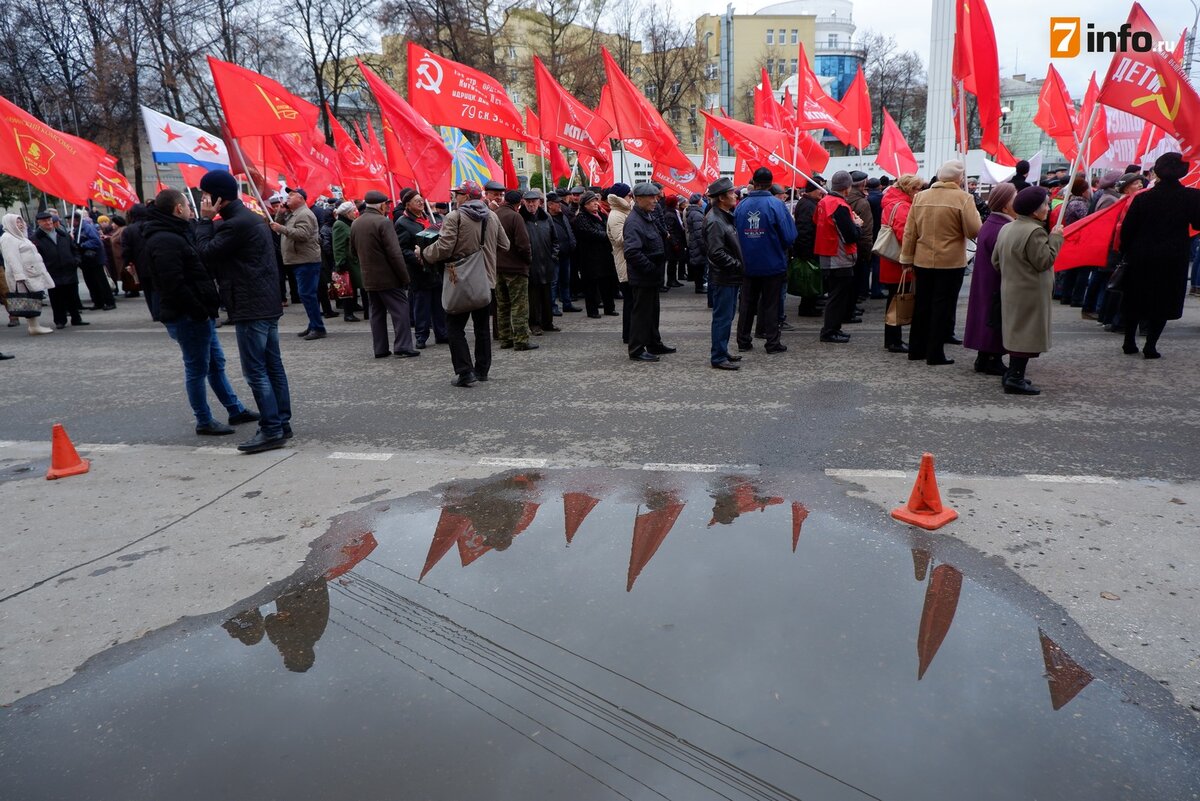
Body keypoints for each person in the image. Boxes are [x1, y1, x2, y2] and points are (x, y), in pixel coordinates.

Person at [143, 188, 259, 435]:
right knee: (196, 368)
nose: (190, 209)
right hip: (188, 315)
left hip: (198, 313)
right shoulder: (164, 239)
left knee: (215, 364)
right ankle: (203, 420)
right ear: (178, 209)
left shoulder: (176, 232)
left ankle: (234, 409)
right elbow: (173, 283)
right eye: (187, 205)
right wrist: (198, 310)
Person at [196, 169, 293, 453]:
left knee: (256, 371)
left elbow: (206, 252)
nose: (202, 200)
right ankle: (280, 422)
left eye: (205, 195)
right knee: (273, 367)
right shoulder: (250, 219)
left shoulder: (234, 224)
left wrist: (203, 221)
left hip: (251, 305)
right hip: (265, 302)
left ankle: (272, 428)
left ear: (218, 199)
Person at [423, 180, 509, 386]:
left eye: (458, 193)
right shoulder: (492, 215)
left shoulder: (456, 216)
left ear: (467, 196)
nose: (455, 196)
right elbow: (505, 245)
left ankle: (464, 372)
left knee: (454, 327)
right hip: (485, 280)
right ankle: (482, 371)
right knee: (482, 328)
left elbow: (444, 247)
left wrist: (425, 253)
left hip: (460, 279)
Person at [899, 160, 982, 366]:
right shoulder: (963, 198)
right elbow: (974, 230)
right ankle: (935, 353)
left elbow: (910, 232)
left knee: (922, 304)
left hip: (922, 259)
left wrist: (906, 259)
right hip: (951, 261)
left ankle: (916, 349)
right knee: (942, 307)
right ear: (959, 178)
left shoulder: (920, 197)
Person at [1118, 152, 1200, 359]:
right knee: (1163, 300)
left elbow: (1127, 229)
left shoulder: (1143, 197)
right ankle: (1151, 345)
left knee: (1135, 297)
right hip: (1173, 256)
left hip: (1141, 255)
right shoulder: (1191, 197)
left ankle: (1129, 341)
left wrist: (1126, 251)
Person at [992, 186, 1064, 394]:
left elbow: (995, 261)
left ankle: (1013, 374)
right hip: (1030, 291)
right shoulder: (1035, 231)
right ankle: (1015, 377)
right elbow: (1044, 260)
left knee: (1017, 332)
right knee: (1026, 335)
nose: (1048, 207)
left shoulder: (1008, 227)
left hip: (1011, 288)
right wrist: (1056, 238)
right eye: (1045, 204)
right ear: (1034, 210)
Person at [350, 189, 419, 360]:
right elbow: (395, 253)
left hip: (369, 276)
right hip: (388, 277)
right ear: (381, 205)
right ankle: (403, 346)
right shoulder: (383, 222)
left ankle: (380, 348)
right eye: (387, 204)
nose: (389, 207)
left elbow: (352, 251)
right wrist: (404, 277)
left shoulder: (356, 223)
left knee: (377, 313)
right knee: (400, 310)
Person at [734, 167, 796, 354]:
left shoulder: (741, 206)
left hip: (748, 263)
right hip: (772, 263)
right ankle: (772, 342)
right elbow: (789, 235)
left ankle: (743, 341)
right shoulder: (776, 205)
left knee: (747, 303)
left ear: (754, 182)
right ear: (771, 183)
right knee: (771, 304)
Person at [963, 183, 1017, 376]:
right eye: (1014, 198)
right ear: (1004, 205)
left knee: (987, 316)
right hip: (995, 280)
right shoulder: (1001, 227)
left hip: (987, 279)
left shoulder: (992, 223)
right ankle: (992, 358)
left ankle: (985, 357)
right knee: (994, 318)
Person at [623, 183, 675, 362]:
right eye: (651, 197)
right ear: (638, 199)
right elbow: (632, 252)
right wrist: (651, 269)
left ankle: (654, 343)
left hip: (652, 276)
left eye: (656, 197)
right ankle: (636, 349)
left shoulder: (647, 216)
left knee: (652, 312)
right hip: (644, 276)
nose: (655, 200)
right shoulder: (634, 221)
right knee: (641, 314)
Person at [877, 174, 924, 354]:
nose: (919, 192)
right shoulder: (902, 206)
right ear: (909, 189)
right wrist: (911, 258)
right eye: (917, 189)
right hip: (899, 261)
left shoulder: (890, 202)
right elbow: (905, 235)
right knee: (897, 300)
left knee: (894, 299)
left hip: (891, 260)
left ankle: (892, 339)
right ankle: (894, 341)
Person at [394, 189, 447, 348]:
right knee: (422, 305)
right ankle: (421, 336)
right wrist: (419, 258)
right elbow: (402, 249)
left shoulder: (429, 218)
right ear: (408, 204)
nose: (421, 203)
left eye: (421, 200)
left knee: (438, 304)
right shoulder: (402, 223)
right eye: (417, 201)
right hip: (419, 270)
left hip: (435, 267)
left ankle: (442, 333)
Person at [270, 188, 325, 340]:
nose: (287, 198)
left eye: (291, 195)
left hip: (306, 260)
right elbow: (278, 225)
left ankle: (318, 327)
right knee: (307, 294)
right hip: (299, 259)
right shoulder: (294, 213)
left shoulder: (304, 214)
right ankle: (313, 324)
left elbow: (303, 235)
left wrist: (281, 228)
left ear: (300, 198)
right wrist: (280, 213)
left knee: (307, 294)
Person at [814, 171, 861, 344]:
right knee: (837, 297)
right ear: (847, 188)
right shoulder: (838, 205)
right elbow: (850, 235)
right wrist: (858, 225)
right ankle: (830, 331)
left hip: (827, 253)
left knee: (835, 295)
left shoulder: (824, 201)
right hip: (838, 256)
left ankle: (832, 329)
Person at [704, 177, 744, 371]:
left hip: (730, 276)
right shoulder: (715, 220)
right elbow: (716, 252)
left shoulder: (724, 216)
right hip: (724, 277)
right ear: (721, 198)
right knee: (722, 318)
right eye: (730, 193)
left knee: (727, 317)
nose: (734, 195)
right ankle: (718, 356)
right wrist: (737, 265)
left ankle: (722, 350)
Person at [1, 213, 55, 336]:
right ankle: (33, 326)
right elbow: (12, 258)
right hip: (22, 276)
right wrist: (19, 276)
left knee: (32, 299)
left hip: (30, 272)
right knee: (28, 300)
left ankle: (35, 325)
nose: (20, 224)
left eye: (21, 221)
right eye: (17, 222)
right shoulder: (7, 238)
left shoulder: (20, 236)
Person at [31, 211, 87, 329]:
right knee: (56, 298)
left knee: (72, 296)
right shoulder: (35, 238)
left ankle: (76, 318)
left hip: (69, 270)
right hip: (52, 272)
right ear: (39, 222)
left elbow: (74, 249)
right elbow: (34, 257)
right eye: (45, 221)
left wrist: (76, 260)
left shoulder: (63, 234)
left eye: (49, 220)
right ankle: (60, 320)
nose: (48, 222)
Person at [493, 189, 535, 350]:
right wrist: (528, 261)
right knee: (519, 305)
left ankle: (505, 339)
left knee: (502, 306)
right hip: (516, 268)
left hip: (497, 267)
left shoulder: (494, 215)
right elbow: (523, 244)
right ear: (519, 203)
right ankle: (521, 340)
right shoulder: (515, 217)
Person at [574, 191, 617, 319]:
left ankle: (609, 308)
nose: (595, 203)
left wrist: (606, 234)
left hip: (604, 255)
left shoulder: (601, 215)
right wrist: (607, 235)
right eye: (592, 202)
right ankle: (592, 310)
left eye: (595, 201)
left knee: (607, 283)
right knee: (591, 285)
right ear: (585, 205)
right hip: (589, 257)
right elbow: (591, 233)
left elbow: (608, 228)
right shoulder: (581, 217)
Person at [521, 190, 559, 336]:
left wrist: (554, 256)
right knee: (533, 298)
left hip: (547, 263)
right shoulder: (521, 218)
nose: (531, 204)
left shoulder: (546, 217)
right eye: (528, 201)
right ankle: (534, 324)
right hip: (531, 264)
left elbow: (555, 240)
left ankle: (548, 322)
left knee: (547, 296)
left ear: (539, 202)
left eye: (534, 201)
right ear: (524, 202)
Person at [1057, 177, 1093, 308]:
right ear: (1083, 191)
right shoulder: (1079, 204)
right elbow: (1087, 220)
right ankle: (1077, 298)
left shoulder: (1072, 202)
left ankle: (1066, 295)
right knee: (1082, 270)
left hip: (1073, 239)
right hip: (1079, 240)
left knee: (1072, 270)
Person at [605, 184, 634, 342]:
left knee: (633, 301)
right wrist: (638, 233)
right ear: (621, 197)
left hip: (628, 260)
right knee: (629, 301)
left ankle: (631, 333)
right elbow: (620, 239)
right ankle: (628, 335)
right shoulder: (616, 215)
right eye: (629, 195)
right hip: (624, 261)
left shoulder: (624, 212)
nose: (631, 198)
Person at [792, 179, 824, 318]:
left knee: (811, 279)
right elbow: (804, 229)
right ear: (812, 189)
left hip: (810, 247)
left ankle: (811, 304)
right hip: (808, 249)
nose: (822, 191)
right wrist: (806, 252)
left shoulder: (809, 203)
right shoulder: (807, 205)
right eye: (819, 189)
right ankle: (807, 308)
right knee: (809, 279)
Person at [73, 210, 116, 311]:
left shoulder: (87, 227)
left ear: (76, 220)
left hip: (94, 259)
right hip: (86, 261)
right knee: (91, 282)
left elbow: (96, 241)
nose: (69, 223)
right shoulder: (76, 229)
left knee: (101, 281)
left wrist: (82, 245)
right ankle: (98, 302)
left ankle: (109, 302)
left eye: (71, 220)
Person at [331, 201, 364, 322]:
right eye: (352, 211)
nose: (354, 213)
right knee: (347, 287)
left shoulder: (348, 223)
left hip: (353, 261)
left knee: (354, 286)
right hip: (347, 262)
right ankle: (348, 313)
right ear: (346, 213)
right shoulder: (339, 224)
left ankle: (353, 306)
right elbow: (338, 246)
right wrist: (340, 262)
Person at [846, 171, 875, 302]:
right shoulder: (862, 203)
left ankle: (850, 306)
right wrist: (867, 251)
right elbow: (866, 230)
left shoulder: (844, 198)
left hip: (843, 247)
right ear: (863, 184)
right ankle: (850, 309)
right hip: (858, 246)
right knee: (856, 278)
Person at [546, 192, 577, 315]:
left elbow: (569, 231)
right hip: (555, 256)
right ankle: (552, 306)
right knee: (554, 282)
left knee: (565, 281)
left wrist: (572, 243)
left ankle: (567, 303)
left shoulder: (562, 216)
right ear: (550, 205)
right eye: (557, 203)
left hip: (566, 253)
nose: (560, 205)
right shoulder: (547, 218)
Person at [684, 193, 707, 295]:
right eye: (701, 199)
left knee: (699, 265)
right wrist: (703, 247)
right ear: (698, 201)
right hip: (697, 243)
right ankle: (699, 287)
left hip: (694, 242)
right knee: (699, 266)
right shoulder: (697, 214)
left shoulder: (692, 212)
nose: (702, 201)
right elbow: (699, 233)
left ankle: (699, 286)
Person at [662, 195, 686, 287]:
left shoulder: (672, 213)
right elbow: (670, 230)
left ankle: (673, 279)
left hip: (676, 240)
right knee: (672, 262)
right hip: (673, 242)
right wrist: (674, 243)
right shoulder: (670, 214)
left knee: (674, 261)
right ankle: (671, 280)